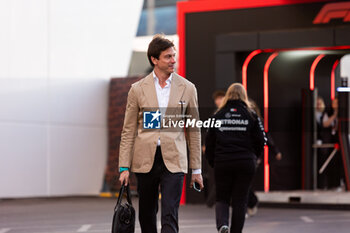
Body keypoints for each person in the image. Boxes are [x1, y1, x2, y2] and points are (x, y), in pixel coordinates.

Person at [118, 34, 203, 233]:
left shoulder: (188, 88)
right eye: (168, 57)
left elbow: (194, 130)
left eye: (174, 56)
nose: (173, 60)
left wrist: (196, 169)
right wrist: (124, 166)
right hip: (145, 159)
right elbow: (128, 130)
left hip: (174, 159)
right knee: (147, 213)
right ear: (154, 60)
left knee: (170, 212)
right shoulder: (137, 89)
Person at [205, 83, 266, 233]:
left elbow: (209, 142)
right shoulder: (252, 115)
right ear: (244, 96)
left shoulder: (217, 116)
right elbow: (261, 140)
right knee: (240, 199)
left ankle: (222, 225)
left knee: (222, 197)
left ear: (227, 96)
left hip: (223, 162)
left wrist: (213, 161)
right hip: (245, 162)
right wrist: (254, 157)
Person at [247, 99, 282, 216]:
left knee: (244, 182)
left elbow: (266, 137)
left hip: (253, 156)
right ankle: (250, 202)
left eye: (251, 106)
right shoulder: (240, 119)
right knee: (242, 182)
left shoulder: (257, 121)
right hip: (241, 155)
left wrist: (275, 151)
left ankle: (249, 203)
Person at [204, 90, 226, 207]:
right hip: (217, 151)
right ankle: (213, 200)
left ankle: (211, 201)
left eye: (220, 98)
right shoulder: (215, 114)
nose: (218, 101)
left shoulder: (227, 113)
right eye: (216, 99)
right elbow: (210, 133)